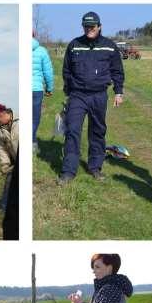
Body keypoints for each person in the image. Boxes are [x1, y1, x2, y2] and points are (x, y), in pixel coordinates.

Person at [59, 12, 125, 184]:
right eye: (86, 26)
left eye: (92, 26)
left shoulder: (110, 46)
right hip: (77, 95)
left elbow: (117, 71)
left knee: (97, 131)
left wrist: (118, 92)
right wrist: (69, 89)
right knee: (73, 130)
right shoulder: (74, 45)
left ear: (99, 26)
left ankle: (95, 167)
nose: (89, 29)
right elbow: (66, 70)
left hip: (99, 95)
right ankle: (68, 171)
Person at [0, 104, 18, 210]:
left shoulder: (20, 121)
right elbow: (1, 149)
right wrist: (5, 164)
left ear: (2, 115)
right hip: (13, 161)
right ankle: (4, 208)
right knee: (9, 184)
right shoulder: (0, 131)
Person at [32, 31, 54, 155]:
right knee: (34, 118)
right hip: (36, 89)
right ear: (34, 33)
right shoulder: (41, 51)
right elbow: (48, 72)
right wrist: (49, 88)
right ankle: (32, 143)